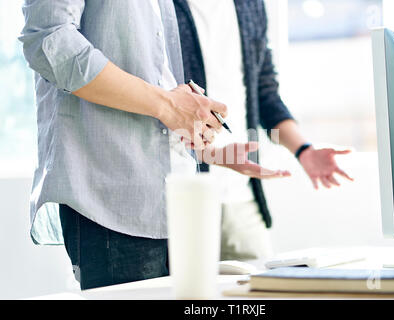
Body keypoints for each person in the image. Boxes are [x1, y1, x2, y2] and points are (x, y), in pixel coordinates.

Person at [19, 0, 289, 290]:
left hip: (172, 200)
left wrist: (202, 146)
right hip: (113, 194)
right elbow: (50, 41)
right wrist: (169, 106)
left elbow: (153, 78)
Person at [174, 0, 354, 261]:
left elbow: (265, 92)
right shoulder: (160, 6)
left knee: (263, 290)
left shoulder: (250, 5)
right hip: (182, 197)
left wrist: (305, 151)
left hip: (241, 196)